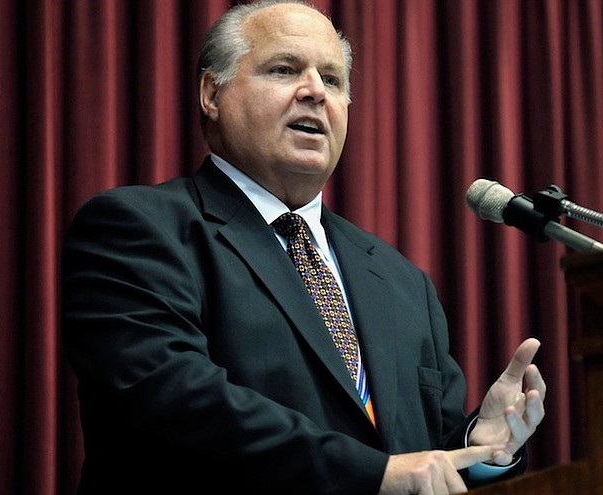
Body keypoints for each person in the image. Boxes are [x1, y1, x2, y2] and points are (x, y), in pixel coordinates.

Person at [61, 1, 546, 494]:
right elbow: (174, 400)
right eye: (284, 69)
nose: (315, 92)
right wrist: (371, 474)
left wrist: (483, 447)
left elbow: (423, 463)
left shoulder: (401, 280)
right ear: (212, 92)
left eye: (333, 80)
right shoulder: (140, 228)